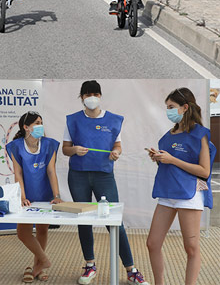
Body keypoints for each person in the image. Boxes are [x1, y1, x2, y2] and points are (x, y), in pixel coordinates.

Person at [63, 81, 149, 284]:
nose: (91, 97)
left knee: (114, 221)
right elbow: (65, 148)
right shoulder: (73, 120)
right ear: (82, 97)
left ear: (100, 96)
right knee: (84, 221)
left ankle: (131, 269)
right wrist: (75, 150)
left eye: (94, 93)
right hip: (78, 175)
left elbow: (117, 145)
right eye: (87, 94)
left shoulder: (113, 120)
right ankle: (89, 265)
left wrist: (117, 152)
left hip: (104, 175)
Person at [146, 87, 216, 285]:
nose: (167, 111)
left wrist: (172, 159)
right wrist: (158, 158)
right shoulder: (167, 136)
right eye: (166, 107)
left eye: (171, 107)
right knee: (152, 243)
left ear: (185, 107)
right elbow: (168, 162)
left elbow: (204, 171)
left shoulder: (200, 134)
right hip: (167, 193)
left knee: (191, 248)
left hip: (189, 194)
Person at [6, 111, 61, 281]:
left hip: (45, 194)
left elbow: (51, 171)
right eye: (37, 123)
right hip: (27, 196)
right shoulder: (15, 146)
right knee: (23, 233)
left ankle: (38, 267)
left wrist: (57, 195)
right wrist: (22, 197)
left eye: (41, 122)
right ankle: (44, 260)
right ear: (26, 127)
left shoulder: (49, 144)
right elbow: (18, 174)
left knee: (43, 230)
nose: (40, 126)